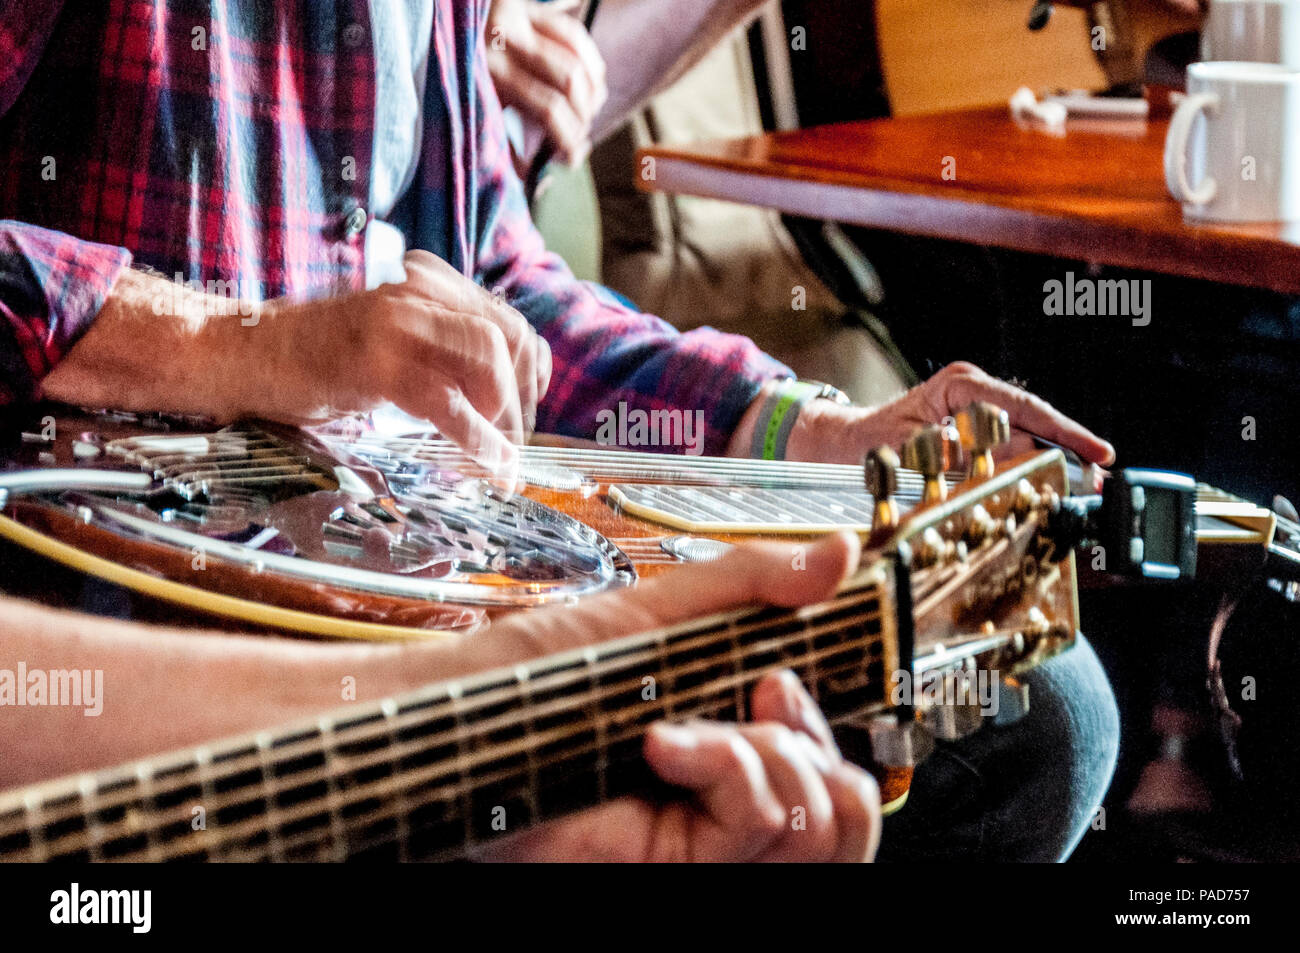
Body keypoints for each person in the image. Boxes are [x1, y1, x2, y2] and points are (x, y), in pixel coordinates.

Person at [0, 2, 1117, 860]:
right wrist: (248, 344)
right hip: (96, 584)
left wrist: (808, 431)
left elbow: (492, 280)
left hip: (353, 551)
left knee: (1041, 713)